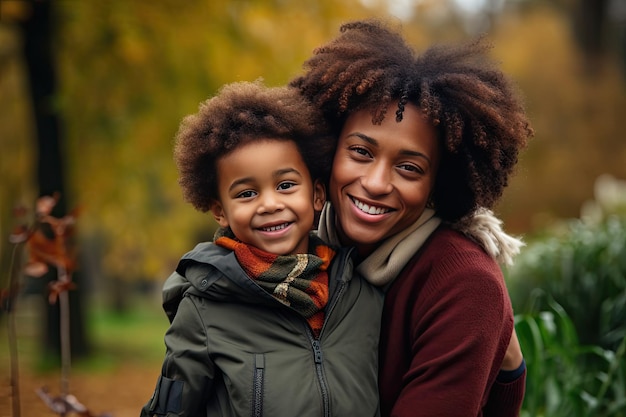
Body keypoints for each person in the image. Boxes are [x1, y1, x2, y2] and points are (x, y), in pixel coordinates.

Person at [289, 19, 532, 417]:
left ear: (439, 183)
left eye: (409, 168)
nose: (376, 183)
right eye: (361, 153)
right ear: (329, 149)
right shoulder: (298, 243)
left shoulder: (464, 283)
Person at [140, 81, 383, 417]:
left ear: (316, 195)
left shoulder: (361, 293)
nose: (269, 204)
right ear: (220, 211)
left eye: (285, 185)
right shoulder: (203, 310)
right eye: (246, 193)